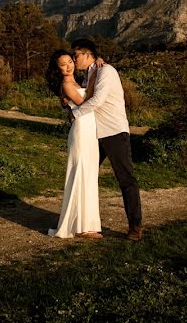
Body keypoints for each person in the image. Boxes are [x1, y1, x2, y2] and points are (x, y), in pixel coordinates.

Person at [70, 38, 143, 241]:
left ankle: (135, 226)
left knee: (126, 179)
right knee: (86, 176)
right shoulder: (88, 76)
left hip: (114, 132)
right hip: (93, 134)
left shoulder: (106, 71)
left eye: (76, 56)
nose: (74, 60)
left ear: (87, 54)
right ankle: (83, 222)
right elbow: (83, 95)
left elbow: (98, 100)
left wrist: (75, 113)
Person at [45, 49, 103, 239]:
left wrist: (95, 66)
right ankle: (82, 227)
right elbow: (86, 102)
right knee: (80, 174)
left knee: (88, 175)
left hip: (89, 129)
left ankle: (86, 224)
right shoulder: (67, 84)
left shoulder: (76, 81)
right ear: (57, 68)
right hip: (80, 131)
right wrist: (97, 75)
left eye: (70, 61)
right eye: (63, 64)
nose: (69, 66)